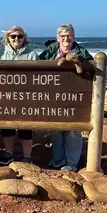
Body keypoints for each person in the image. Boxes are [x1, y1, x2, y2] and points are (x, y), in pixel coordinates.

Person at [39, 23, 93, 172]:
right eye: (62, 36)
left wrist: (77, 59)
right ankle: (59, 158)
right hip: (54, 95)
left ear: (73, 37)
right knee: (56, 128)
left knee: (73, 130)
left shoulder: (81, 50)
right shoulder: (51, 51)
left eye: (68, 35)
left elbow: (90, 62)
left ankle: (72, 162)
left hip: (75, 95)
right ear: (58, 38)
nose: (66, 38)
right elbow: (37, 64)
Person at [0, 26, 39, 165]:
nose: (16, 39)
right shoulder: (0, 55)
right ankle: (9, 152)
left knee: (26, 128)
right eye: (13, 36)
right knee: (7, 127)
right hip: (6, 98)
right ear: (8, 38)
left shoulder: (32, 55)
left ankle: (27, 157)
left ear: (24, 37)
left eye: (20, 36)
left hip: (26, 99)